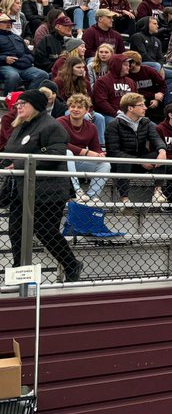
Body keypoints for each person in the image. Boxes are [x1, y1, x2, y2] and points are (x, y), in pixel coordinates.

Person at [2, 90, 81, 282]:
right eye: (17, 104)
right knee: (16, 231)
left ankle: (71, 264)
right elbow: (13, 154)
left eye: (22, 103)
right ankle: (19, 269)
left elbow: (54, 155)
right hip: (21, 190)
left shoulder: (52, 126)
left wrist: (19, 165)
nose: (18, 107)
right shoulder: (21, 126)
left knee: (45, 231)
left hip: (48, 192)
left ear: (35, 105)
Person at [107, 92, 167, 204]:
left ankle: (158, 192)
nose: (145, 107)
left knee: (158, 156)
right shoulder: (114, 125)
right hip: (121, 164)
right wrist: (139, 162)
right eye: (141, 105)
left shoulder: (146, 122)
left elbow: (156, 139)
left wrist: (162, 151)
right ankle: (124, 199)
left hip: (139, 160)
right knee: (124, 162)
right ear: (130, 108)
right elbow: (113, 152)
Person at [59, 92, 110, 202]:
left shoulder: (91, 127)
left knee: (105, 164)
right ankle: (77, 191)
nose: (75, 109)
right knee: (68, 153)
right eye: (72, 106)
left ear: (86, 110)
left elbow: (96, 147)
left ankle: (92, 196)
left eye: (80, 107)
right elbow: (61, 144)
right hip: (62, 161)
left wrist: (99, 154)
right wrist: (86, 152)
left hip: (80, 161)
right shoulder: (60, 122)